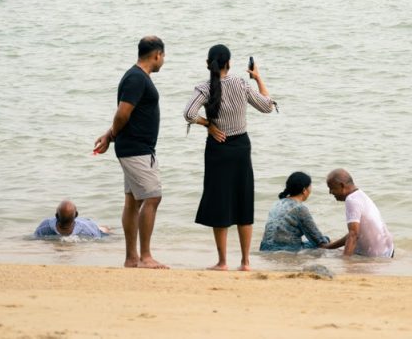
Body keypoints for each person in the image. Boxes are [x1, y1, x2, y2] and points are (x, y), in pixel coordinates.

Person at [183, 44, 277, 271]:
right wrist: (258, 77)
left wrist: (209, 124)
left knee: (220, 202)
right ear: (229, 63)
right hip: (241, 147)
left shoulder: (204, 88)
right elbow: (267, 107)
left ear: (208, 64)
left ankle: (223, 262)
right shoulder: (241, 83)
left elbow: (188, 114)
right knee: (243, 201)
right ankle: (245, 262)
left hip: (217, 147)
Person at [93, 35, 168, 269]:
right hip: (136, 149)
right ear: (157, 55)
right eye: (163, 56)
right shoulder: (136, 78)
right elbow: (122, 113)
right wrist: (112, 134)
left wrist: (109, 135)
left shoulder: (135, 76)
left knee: (133, 201)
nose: (163, 61)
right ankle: (145, 256)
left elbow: (124, 114)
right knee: (153, 197)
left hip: (136, 147)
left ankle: (131, 258)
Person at [324, 169, 394, 258]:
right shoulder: (360, 195)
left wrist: (345, 263)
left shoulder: (351, 200)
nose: (330, 192)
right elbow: (354, 233)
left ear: (342, 186)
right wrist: (329, 247)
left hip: (377, 257)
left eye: (331, 188)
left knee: (321, 255)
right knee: (330, 252)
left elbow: (353, 235)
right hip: (388, 251)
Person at [259, 171, 330, 252]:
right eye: (310, 186)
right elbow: (319, 240)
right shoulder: (299, 208)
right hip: (285, 250)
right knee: (326, 240)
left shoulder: (277, 203)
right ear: (304, 190)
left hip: (264, 248)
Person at [33, 200, 111, 238]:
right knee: (104, 229)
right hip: (88, 225)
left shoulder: (44, 227)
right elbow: (98, 237)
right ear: (76, 215)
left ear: (56, 216)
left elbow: (35, 236)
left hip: (87, 223)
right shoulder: (87, 229)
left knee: (104, 229)